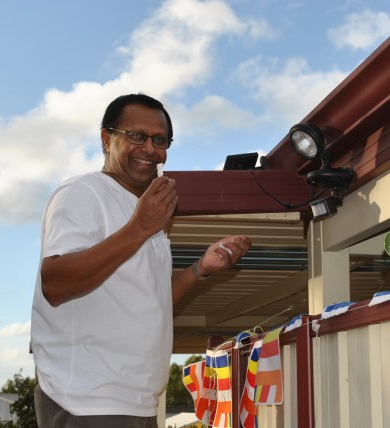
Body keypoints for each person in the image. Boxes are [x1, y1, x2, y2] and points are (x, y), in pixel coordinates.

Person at [31, 93, 252, 428]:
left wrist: (200, 267)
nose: (150, 148)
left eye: (160, 140)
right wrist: (139, 226)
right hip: (88, 402)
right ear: (107, 138)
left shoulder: (147, 211)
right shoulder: (82, 192)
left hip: (140, 401)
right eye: (136, 135)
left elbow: (152, 298)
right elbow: (56, 284)